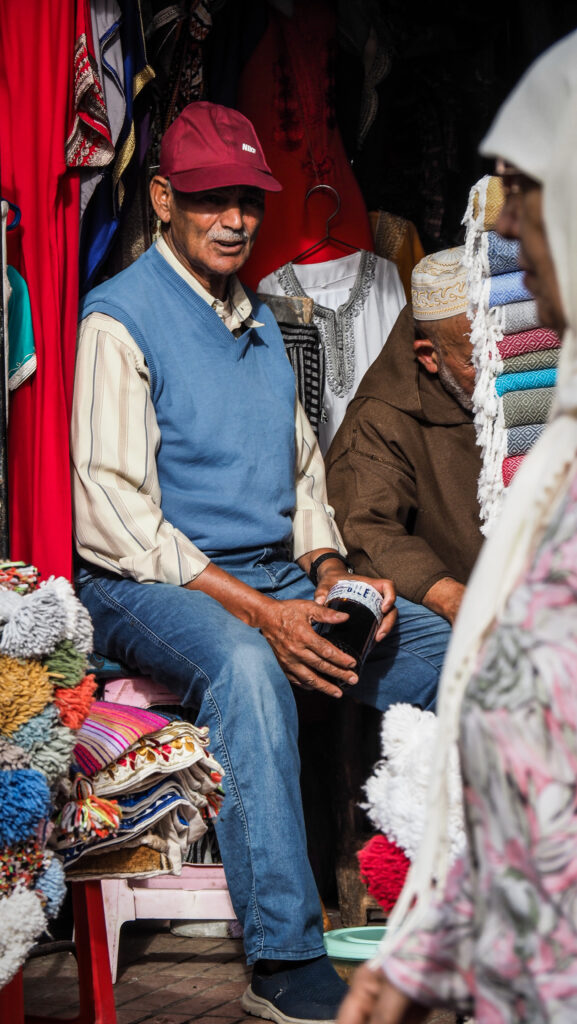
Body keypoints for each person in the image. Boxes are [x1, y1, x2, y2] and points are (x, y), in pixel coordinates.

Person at [69, 101, 452, 1024]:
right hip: (147, 584)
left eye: (247, 198)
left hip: (266, 574)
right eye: (210, 200)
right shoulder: (119, 321)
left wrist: (328, 575)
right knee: (249, 667)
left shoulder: (261, 321)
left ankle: (493, 899)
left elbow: (304, 474)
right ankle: (282, 956)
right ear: (162, 199)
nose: (235, 218)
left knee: (455, 648)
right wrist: (261, 612)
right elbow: (114, 516)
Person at [337, 28, 577, 1024]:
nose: (514, 237)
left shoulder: (538, 409)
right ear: (433, 357)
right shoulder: (391, 413)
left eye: (527, 203)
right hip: (436, 604)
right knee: (421, 645)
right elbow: (366, 521)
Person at [326, 248, 483, 627]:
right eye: (479, 359)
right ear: (429, 356)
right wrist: (454, 597)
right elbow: (368, 528)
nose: (505, 370)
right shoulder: (379, 419)